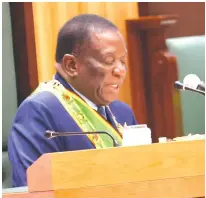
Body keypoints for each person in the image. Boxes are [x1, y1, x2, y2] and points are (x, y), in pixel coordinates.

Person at [8, 14, 137, 187]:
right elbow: (34, 192)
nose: (120, 71)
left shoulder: (122, 112)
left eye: (122, 61)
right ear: (71, 65)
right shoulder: (39, 112)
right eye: (109, 61)